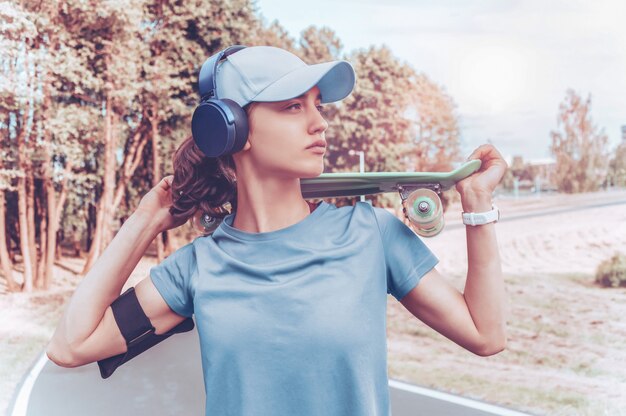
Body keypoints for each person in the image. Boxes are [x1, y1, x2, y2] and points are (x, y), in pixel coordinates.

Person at [46, 45, 508, 416]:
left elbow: (485, 334)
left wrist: (478, 207)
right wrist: (146, 219)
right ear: (231, 129)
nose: (319, 122)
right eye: (292, 106)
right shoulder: (198, 267)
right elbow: (72, 345)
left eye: (317, 105)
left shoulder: (371, 233)